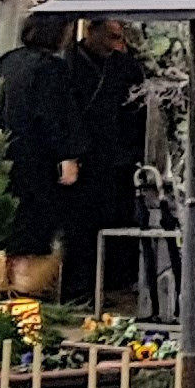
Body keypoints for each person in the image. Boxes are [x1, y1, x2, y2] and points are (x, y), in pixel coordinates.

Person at [61, 18, 152, 307]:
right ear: (91, 31)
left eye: (120, 36)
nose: (117, 42)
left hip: (119, 160)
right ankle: (78, 288)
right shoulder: (68, 64)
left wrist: (136, 153)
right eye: (111, 36)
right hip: (83, 159)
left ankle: (116, 285)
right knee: (80, 227)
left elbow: (139, 113)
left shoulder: (127, 67)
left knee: (118, 222)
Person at [0, 15, 79, 288]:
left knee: (7, 229)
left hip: (0, 155)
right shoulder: (51, 68)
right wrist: (68, 155)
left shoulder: (5, 62)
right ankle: (26, 294)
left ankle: (3, 288)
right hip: (36, 160)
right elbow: (54, 116)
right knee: (33, 230)